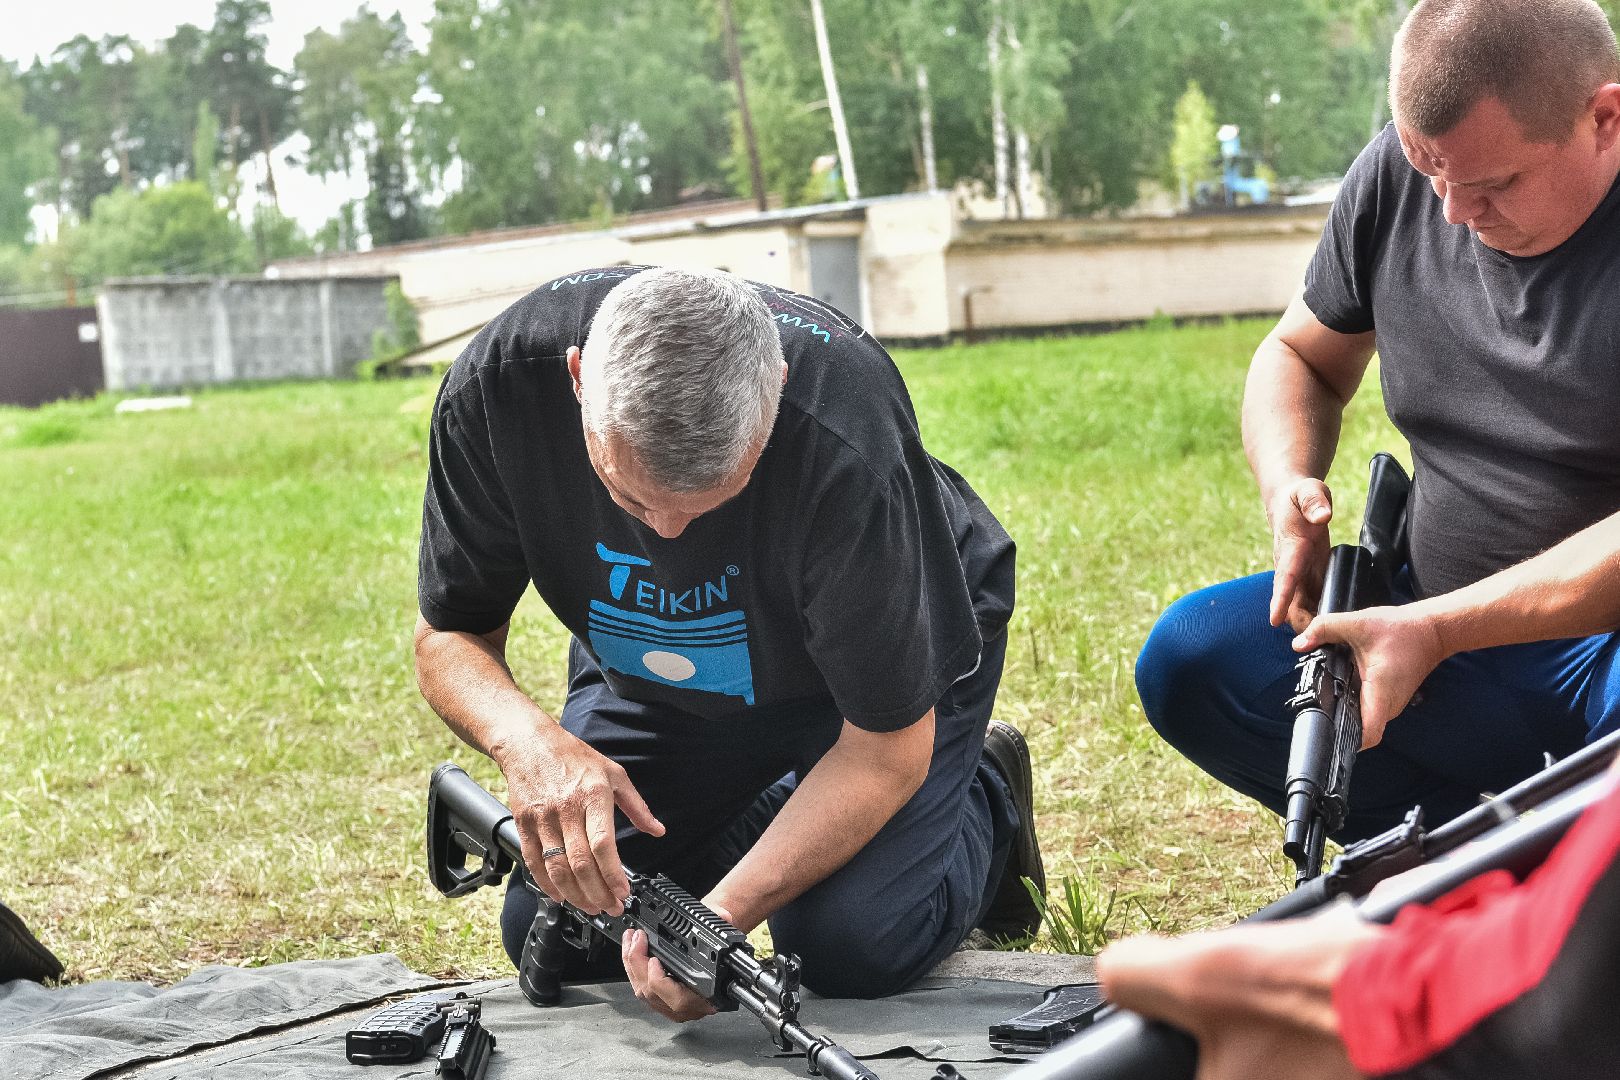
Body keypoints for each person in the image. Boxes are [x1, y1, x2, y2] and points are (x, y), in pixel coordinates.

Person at [412, 264, 1041, 1021]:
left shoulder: (847, 427)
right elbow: (450, 635)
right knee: (570, 929)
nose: (669, 537)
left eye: (716, 500)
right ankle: (787, 803)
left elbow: (883, 751)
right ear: (578, 378)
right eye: (629, 497)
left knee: (850, 944)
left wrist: (719, 924)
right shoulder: (500, 389)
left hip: (877, 672)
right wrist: (530, 745)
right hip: (662, 670)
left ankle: (983, 793)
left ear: (774, 388)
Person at [1135, 0, 1620, 845]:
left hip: (1594, 653)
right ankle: (1449, 854)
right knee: (1193, 659)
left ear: (1605, 117)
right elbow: (1299, 356)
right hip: (1416, 621)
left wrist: (1437, 629)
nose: (1451, 213)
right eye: (1428, 170)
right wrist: (1288, 485)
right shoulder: (1408, 176)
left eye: (1492, 183)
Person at [1099, 509, 1620, 1079]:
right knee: (1193, 653)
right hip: (1419, 599)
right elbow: (1297, 413)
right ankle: (1490, 886)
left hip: (1597, 642)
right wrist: (1290, 488)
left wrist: (1370, 995)